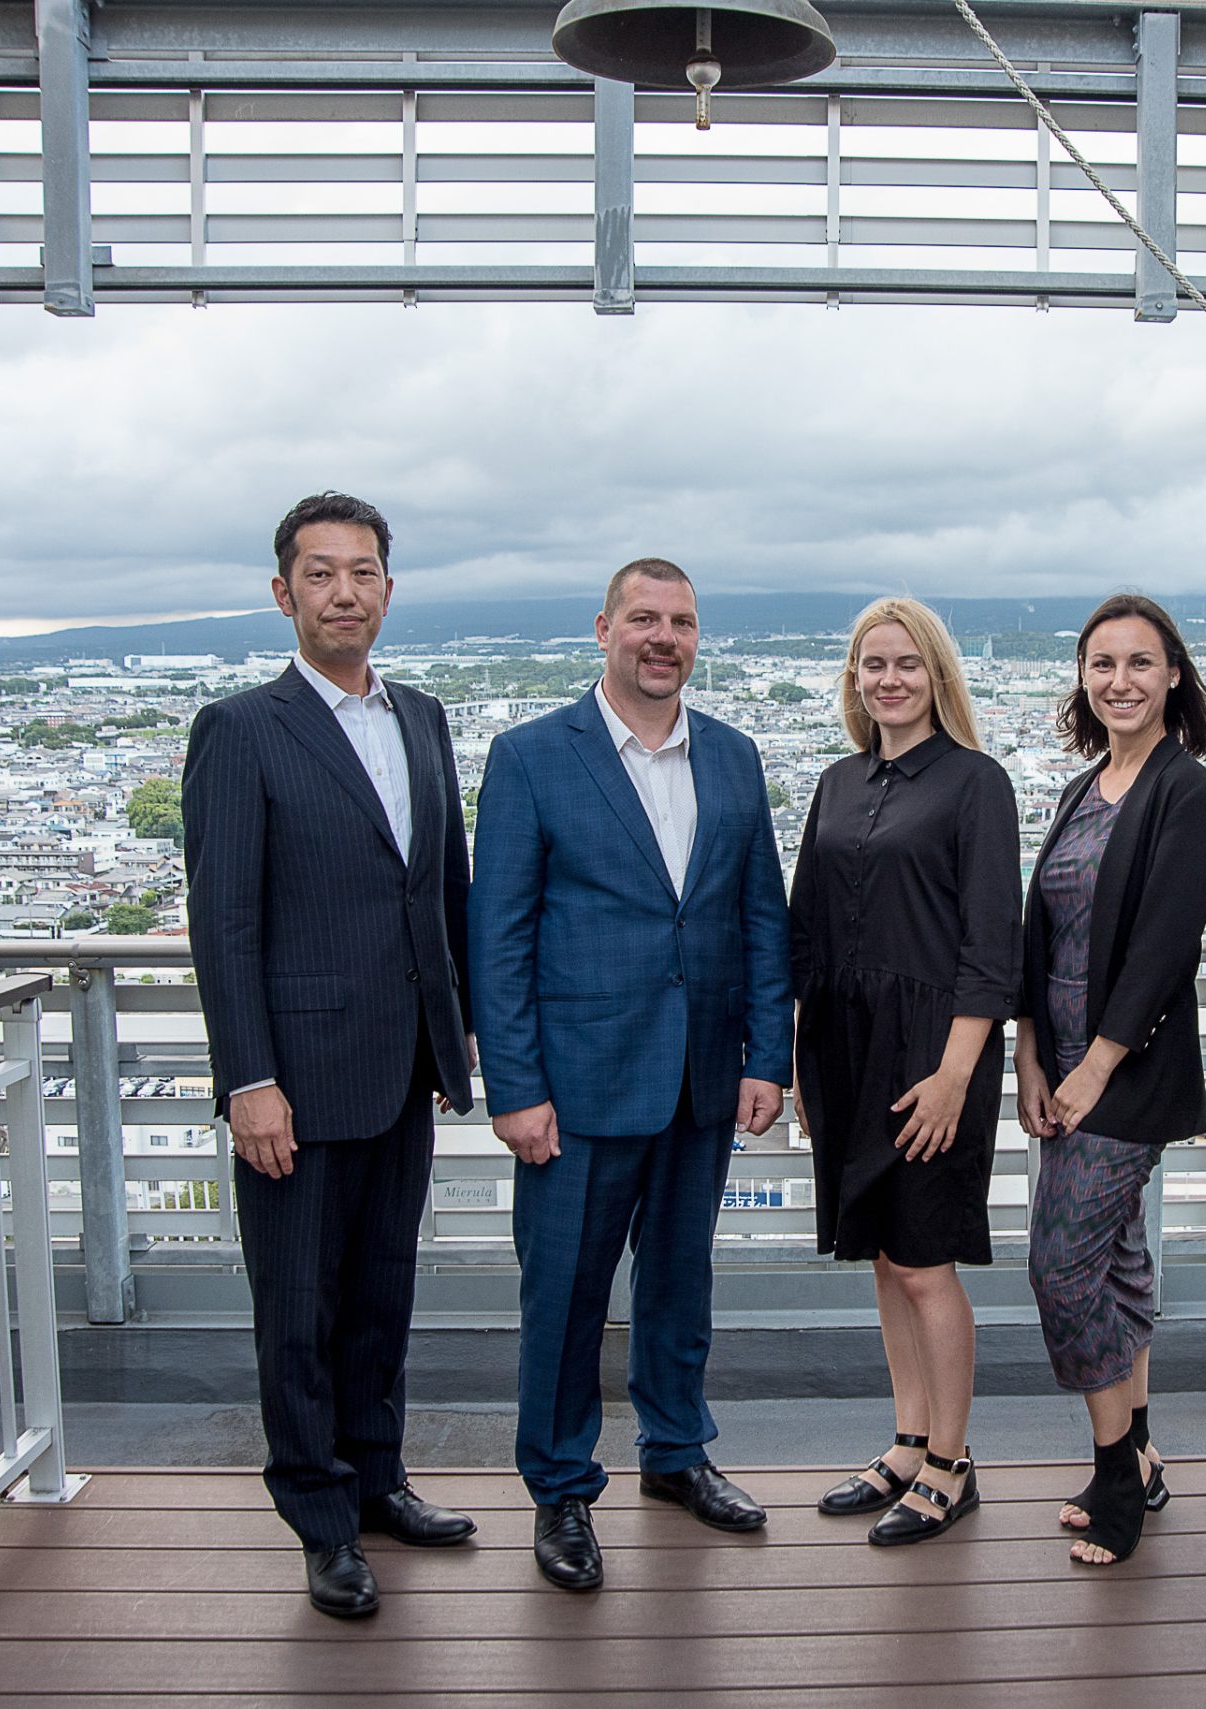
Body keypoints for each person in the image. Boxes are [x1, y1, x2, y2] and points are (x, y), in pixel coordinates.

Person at [469, 557, 795, 1593]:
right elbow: (497, 938)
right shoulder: (529, 756)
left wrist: (768, 1056)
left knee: (680, 1282)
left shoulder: (734, 755)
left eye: (682, 622)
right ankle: (561, 1485)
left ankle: (676, 1450)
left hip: (701, 1077)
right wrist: (516, 1089)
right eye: (644, 618)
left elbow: (760, 916)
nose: (664, 638)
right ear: (603, 628)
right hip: (575, 1087)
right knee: (564, 1296)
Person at [183, 491, 480, 1621]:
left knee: (382, 1293)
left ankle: (377, 1477)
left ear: (388, 591)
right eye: (320, 573)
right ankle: (320, 1517)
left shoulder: (424, 718)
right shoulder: (240, 728)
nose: (344, 592)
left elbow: (441, 889)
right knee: (298, 1307)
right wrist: (247, 1079)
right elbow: (224, 922)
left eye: (362, 572)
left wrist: (459, 1032)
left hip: (404, 1066)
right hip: (296, 1082)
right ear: (283, 593)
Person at [789, 598, 1020, 1546]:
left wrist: (956, 1075)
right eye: (873, 664)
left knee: (925, 1260)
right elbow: (805, 933)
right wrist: (802, 1064)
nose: (889, 679)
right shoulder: (836, 782)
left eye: (907, 663)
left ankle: (952, 1465)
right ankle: (908, 1441)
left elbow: (991, 948)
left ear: (938, 675)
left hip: (933, 1052)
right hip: (845, 1048)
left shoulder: (976, 782)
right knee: (883, 1257)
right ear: (854, 678)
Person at [1015, 594, 1206, 1567]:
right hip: (1060, 1060)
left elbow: (1161, 948)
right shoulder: (1080, 787)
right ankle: (1140, 1451)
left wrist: (1094, 1068)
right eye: (1101, 664)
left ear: (1173, 674)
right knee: (1113, 1261)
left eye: (1139, 662)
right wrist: (1030, 1052)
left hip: (1125, 1071)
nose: (1119, 681)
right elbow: (1041, 932)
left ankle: (1113, 1473)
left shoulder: (1194, 796)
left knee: (1061, 1265)